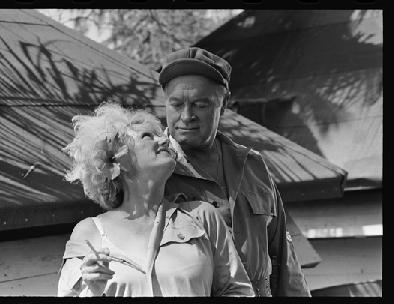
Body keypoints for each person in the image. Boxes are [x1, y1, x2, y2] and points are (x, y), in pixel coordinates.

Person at [57, 103, 255, 297]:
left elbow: (238, 291)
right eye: (147, 136)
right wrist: (91, 291)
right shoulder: (89, 232)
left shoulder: (202, 217)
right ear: (116, 161)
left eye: (160, 135)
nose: (164, 140)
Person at [159, 47, 311, 296]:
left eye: (200, 104)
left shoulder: (252, 166)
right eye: (176, 104)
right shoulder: (150, 168)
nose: (186, 116)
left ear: (224, 104)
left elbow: (284, 257)